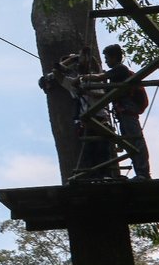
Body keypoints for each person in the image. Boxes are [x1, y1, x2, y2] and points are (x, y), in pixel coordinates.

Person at [38, 47, 118, 180]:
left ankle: (106, 176)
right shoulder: (74, 83)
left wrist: (81, 57)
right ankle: (93, 177)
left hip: (101, 118)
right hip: (87, 121)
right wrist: (72, 59)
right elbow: (56, 72)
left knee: (102, 149)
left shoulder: (97, 77)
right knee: (89, 149)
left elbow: (95, 64)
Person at [81, 44, 151, 180]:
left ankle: (143, 173)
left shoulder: (120, 69)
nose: (106, 61)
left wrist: (85, 78)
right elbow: (104, 96)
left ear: (114, 57)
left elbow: (101, 77)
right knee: (130, 142)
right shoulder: (115, 76)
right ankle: (141, 173)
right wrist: (86, 92)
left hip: (128, 111)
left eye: (107, 58)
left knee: (136, 141)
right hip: (123, 113)